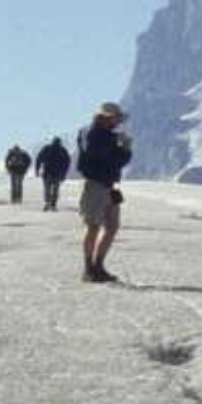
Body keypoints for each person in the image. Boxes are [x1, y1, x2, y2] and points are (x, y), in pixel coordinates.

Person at [76, 103, 132, 283]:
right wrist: (123, 148)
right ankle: (89, 268)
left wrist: (122, 148)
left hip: (108, 185)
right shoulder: (96, 135)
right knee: (94, 227)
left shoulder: (102, 135)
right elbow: (114, 159)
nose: (118, 122)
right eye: (116, 118)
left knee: (111, 227)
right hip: (97, 185)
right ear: (107, 117)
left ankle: (97, 266)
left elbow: (118, 160)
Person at [35, 135, 72, 212]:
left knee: (47, 189)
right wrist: (64, 173)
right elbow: (67, 163)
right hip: (57, 173)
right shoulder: (62, 150)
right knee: (55, 189)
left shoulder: (47, 148)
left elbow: (39, 159)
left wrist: (37, 169)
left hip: (47, 173)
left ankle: (47, 202)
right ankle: (53, 204)